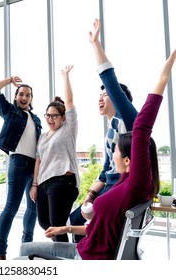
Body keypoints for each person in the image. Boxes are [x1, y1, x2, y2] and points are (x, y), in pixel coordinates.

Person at [19, 46, 176, 261]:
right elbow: (105, 174)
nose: (113, 154)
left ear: (129, 160)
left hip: (87, 256)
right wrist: (68, 226)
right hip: (89, 244)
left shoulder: (133, 166)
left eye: (117, 151)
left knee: (24, 251)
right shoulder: (128, 179)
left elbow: (141, 126)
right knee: (66, 222)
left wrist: (164, 73)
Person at [69, 18, 138, 243]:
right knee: (74, 218)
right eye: (99, 94)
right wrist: (91, 192)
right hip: (108, 183)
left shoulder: (128, 117)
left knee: (81, 224)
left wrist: (95, 44)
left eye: (105, 94)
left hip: (120, 185)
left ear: (120, 99)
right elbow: (108, 165)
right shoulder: (112, 127)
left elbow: (109, 79)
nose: (100, 97)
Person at [0, 76, 42, 260]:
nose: (24, 97)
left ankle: (26, 247)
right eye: (21, 94)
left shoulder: (36, 119)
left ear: (31, 98)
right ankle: (0, 251)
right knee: (11, 207)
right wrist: (10, 79)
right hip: (18, 162)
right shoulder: (10, 111)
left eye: (28, 95)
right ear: (16, 96)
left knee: (33, 208)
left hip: (34, 166)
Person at [30, 65, 79, 243]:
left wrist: (65, 76)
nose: (50, 119)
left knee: (56, 226)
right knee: (45, 223)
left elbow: (70, 101)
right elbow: (38, 160)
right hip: (43, 182)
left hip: (62, 180)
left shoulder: (68, 129)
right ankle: (67, 251)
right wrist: (34, 185)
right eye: (47, 116)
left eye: (54, 116)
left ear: (63, 117)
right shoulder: (43, 136)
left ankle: (64, 260)